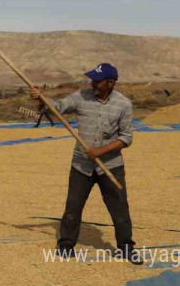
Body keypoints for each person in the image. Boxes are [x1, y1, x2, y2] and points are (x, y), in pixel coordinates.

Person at [29, 63, 142, 265]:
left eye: (98, 80)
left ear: (111, 83)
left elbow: (126, 138)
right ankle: (65, 245)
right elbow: (58, 108)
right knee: (73, 207)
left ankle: (126, 248)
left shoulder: (123, 104)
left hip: (111, 166)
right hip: (81, 165)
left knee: (120, 210)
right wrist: (41, 99)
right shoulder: (81, 96)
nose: (93, 83)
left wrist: (100, 151)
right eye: (93, 79)